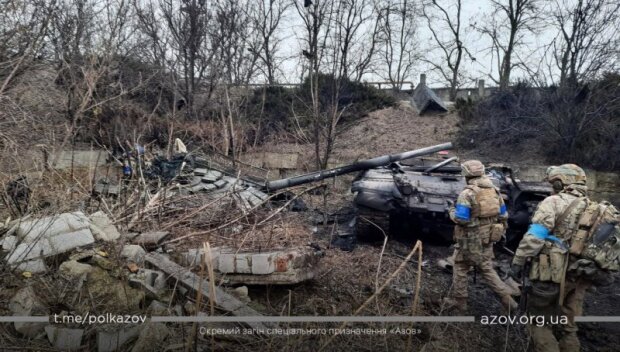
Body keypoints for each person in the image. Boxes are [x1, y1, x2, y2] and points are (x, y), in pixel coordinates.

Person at [510, 164, 592, 352]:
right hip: (578, 275)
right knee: (569, 327)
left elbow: (534, 237)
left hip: (550, 275)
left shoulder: (553, 202)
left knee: (538, 322)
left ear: (559, 182)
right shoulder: (592, 206)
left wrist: (517, 262)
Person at [443, 160, 517, 313]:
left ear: (466, 175)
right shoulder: (495, 191)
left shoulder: (468, 193)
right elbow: (503, 215)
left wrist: (450, 210)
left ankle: (459, 302)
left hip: (470, 239)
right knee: (486, 267)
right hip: (488, 238)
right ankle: (508, 300)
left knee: (460, 266)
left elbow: (461, 219)